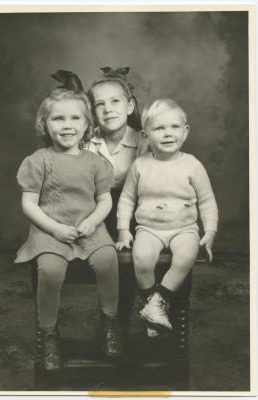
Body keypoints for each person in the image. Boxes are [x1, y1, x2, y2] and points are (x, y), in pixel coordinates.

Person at [15, 79, 123, 372]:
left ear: (87, 124)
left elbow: (104, 202)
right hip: (51, 230)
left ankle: (109, 323)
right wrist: (55, 229)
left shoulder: (96, 163)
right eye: (58, 118)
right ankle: (48, 333)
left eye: (75, 118)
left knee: (108, 259)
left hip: (88, 228)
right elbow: (29, 204)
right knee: (50, 270)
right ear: (45, 123)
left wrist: (91, 222)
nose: (67, 125)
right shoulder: (39, 161)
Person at [116, 98, 218, 335]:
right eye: (159, 128)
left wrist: (210, 231)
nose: (167, 134)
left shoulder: (192, 165)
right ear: (145, 135)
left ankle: (157, 303)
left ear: (185, 131)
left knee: (185, 256)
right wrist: (123, 229)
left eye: (174, 127)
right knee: (141, 259)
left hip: (184, 228)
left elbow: (207, 201)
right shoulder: (140, 165)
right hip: (149, 229)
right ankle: (153, 307)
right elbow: (127, 199)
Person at [86, 66, 148, 240]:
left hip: (135, 208)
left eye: (115, 101)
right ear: (92, 113)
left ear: (129, 106)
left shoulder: (143, 142)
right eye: (100, 104)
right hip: (97, 207)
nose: (108, 109)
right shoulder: (87, 144)